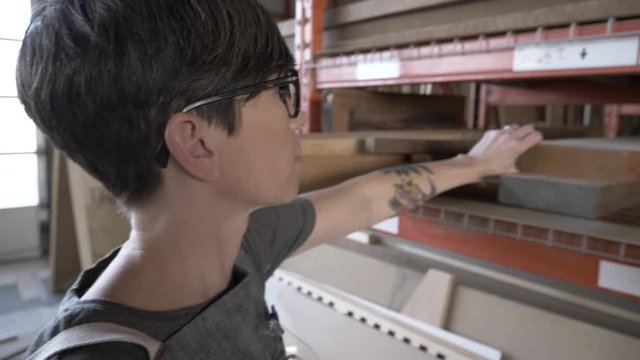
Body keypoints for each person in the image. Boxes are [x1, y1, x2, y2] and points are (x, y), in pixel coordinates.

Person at [17, 0, 543, 359]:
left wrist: (475, 164)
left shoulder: (240, 245)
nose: (299, 120)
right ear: (197, 141)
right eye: (280, 91)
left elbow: (364, 199)